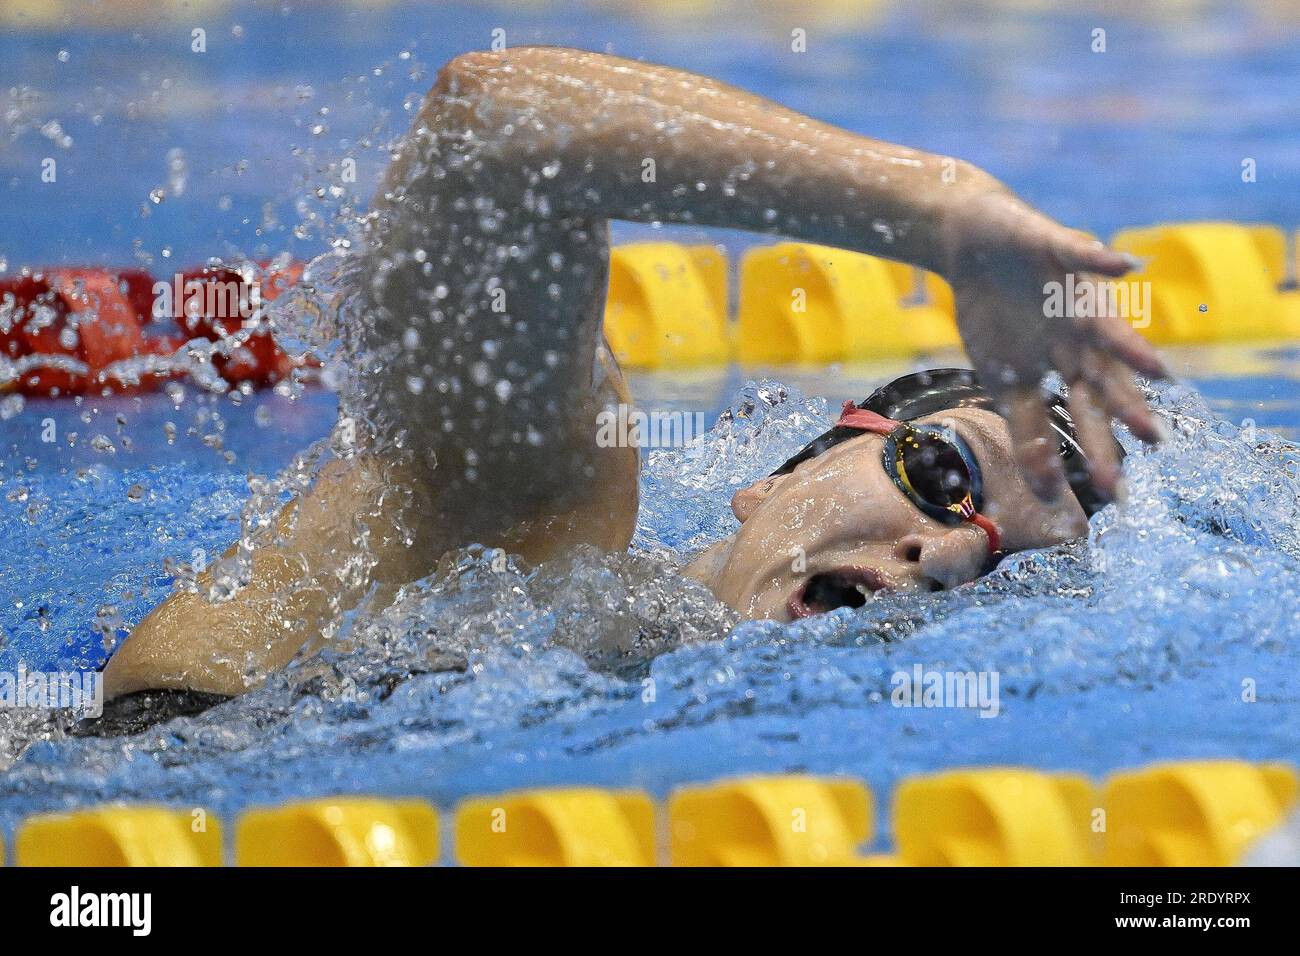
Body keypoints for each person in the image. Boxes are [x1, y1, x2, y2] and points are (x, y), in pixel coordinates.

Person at [100, 47, 1167, 703]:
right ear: (783, 470)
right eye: (942, 473)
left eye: (998, 577)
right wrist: (940, 211)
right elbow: (491, 127)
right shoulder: (533, 516)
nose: (940, 557)